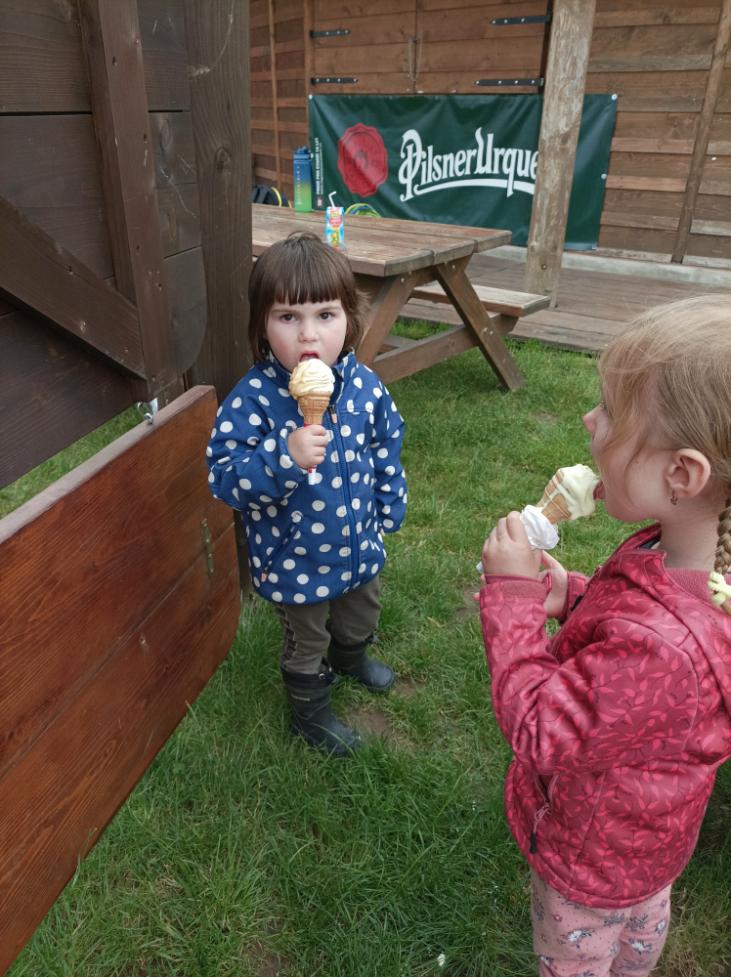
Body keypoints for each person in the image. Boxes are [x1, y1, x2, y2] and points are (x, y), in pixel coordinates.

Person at [478, 294, 731, 977]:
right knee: (638, 935)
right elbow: (640, 640)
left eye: (613, 412)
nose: (590, 420)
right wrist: (576, 596)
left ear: (681, 474)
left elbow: (541, 725)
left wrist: (511, 602)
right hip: (648, 845)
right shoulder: (700, 569)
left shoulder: (663, 649)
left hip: (593, 865)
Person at [206, 232, 407, 757]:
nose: (309, 334)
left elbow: (386, 443)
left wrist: (390, 500)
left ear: (349, 319)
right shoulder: (253, 400)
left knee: (362, 611)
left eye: (325, 314)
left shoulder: (364, 386)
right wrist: (283, 456)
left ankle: (351, 657)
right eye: (288, 317)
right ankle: (310, 713)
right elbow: (224, 479)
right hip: (294, 556)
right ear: (262, 325)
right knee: (306, 638)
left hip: (359, 543)